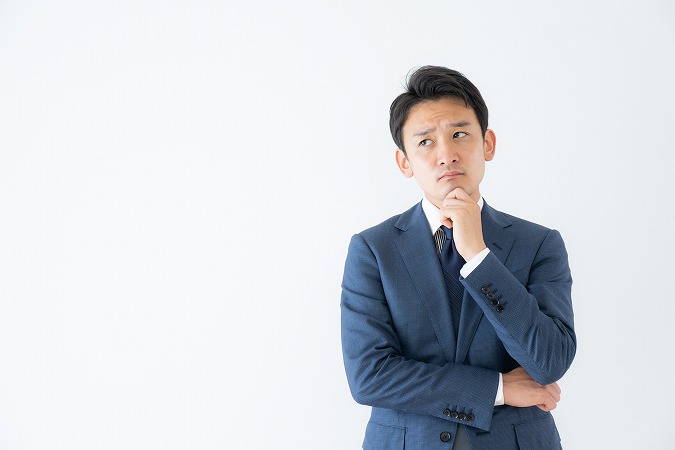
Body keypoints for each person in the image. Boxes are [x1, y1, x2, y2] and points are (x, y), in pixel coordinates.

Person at [340, 66, 576, 449]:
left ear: (488, 144)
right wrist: (498, 388)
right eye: (425, 142)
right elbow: (369, 376)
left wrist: (479, 256)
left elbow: (549, 361)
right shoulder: (373, 250)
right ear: (404, 162)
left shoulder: (539, 243)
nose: (446, 155)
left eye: (459, 135)